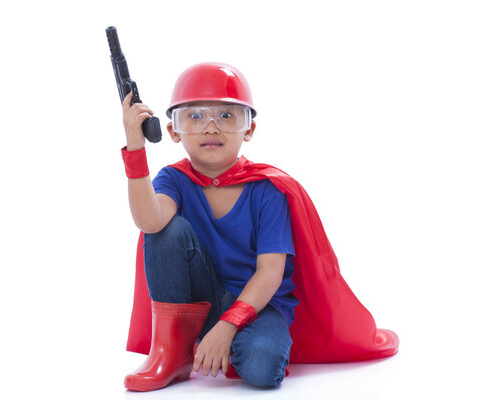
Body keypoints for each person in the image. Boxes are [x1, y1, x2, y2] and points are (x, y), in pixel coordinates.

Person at [119, 63, 398, 392]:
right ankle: (175, 351)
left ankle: (227, 346)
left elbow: (269, 273)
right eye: (195, 116)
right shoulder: (174, 180)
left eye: (227, 116)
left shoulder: (267, 189)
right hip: (202, 302)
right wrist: (135, 149)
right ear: (173, 131)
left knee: (263, 369)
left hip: (257, 306)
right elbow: (148, 221)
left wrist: (228, 327)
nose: (211, 128)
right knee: (165, 230)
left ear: (248, 129)